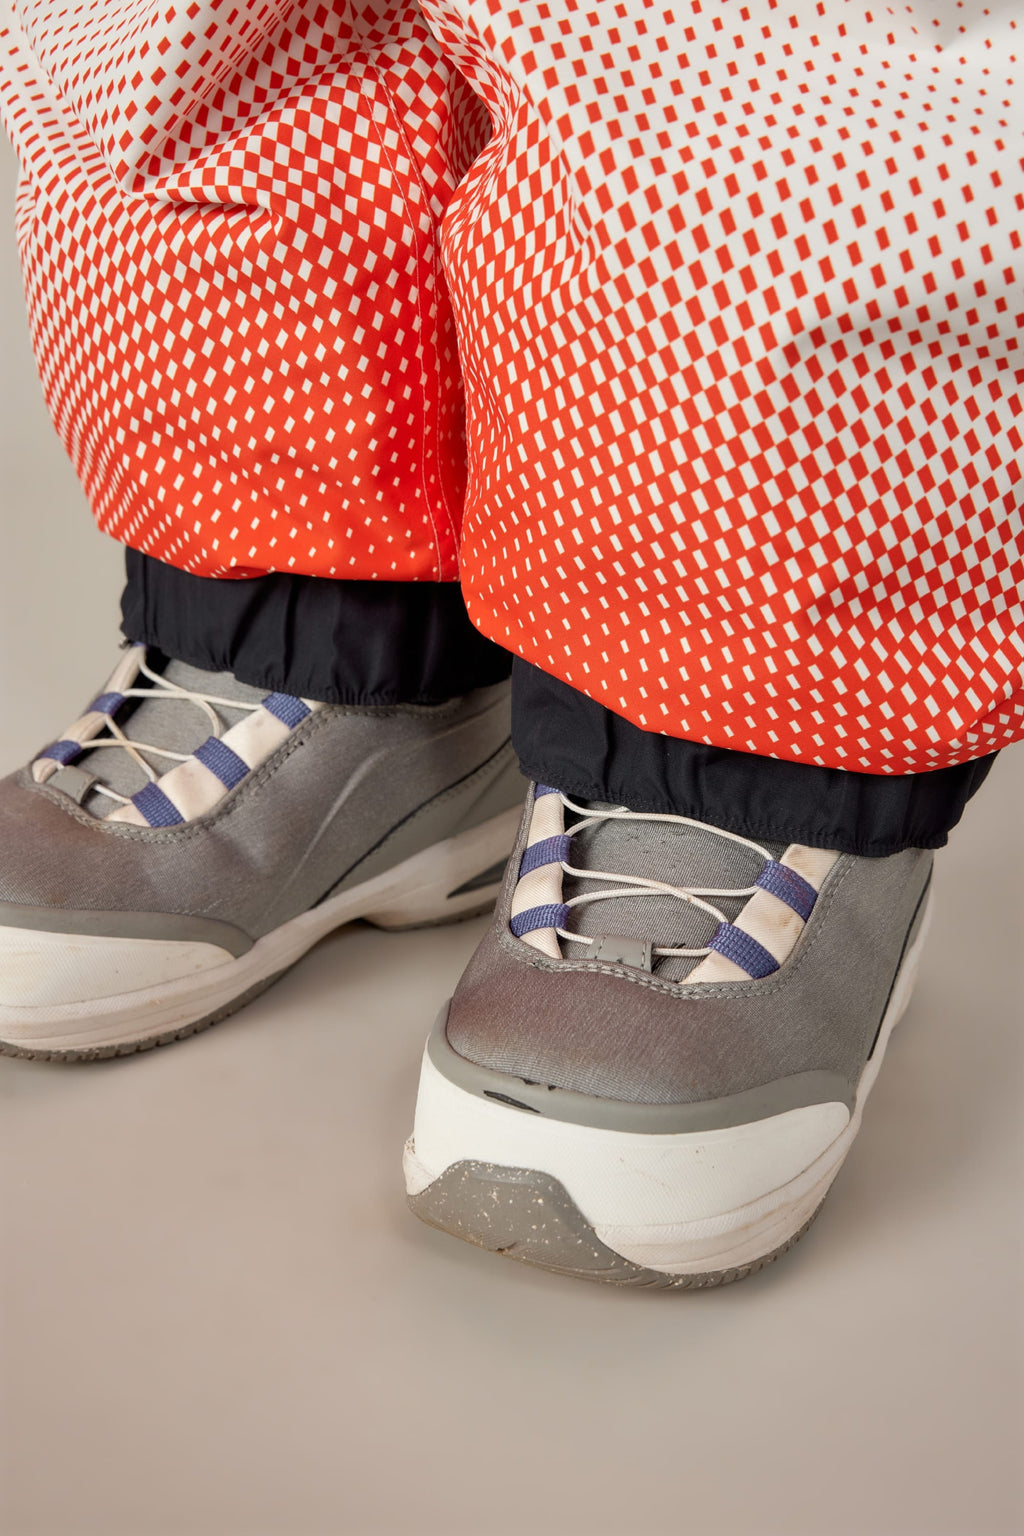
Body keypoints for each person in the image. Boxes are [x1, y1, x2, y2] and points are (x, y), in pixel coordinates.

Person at [0, 0, 1019, 1288]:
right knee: (200, 36)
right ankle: (348, 650)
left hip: (783, 589)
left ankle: (742, 739)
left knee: (755, 68)